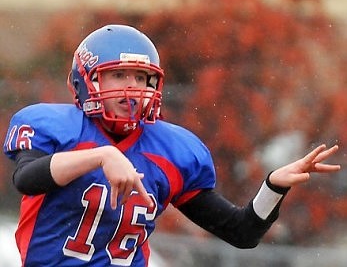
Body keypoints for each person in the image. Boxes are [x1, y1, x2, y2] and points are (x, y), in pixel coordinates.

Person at [3, 24, 340, 267]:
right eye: (119, 75)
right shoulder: (57, 127)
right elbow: (28, 178)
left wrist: (273, 186)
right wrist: (102, 155)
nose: (132, 88)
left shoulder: (171, 150)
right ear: (86, 80)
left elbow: (243, 232)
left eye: (141, 78)